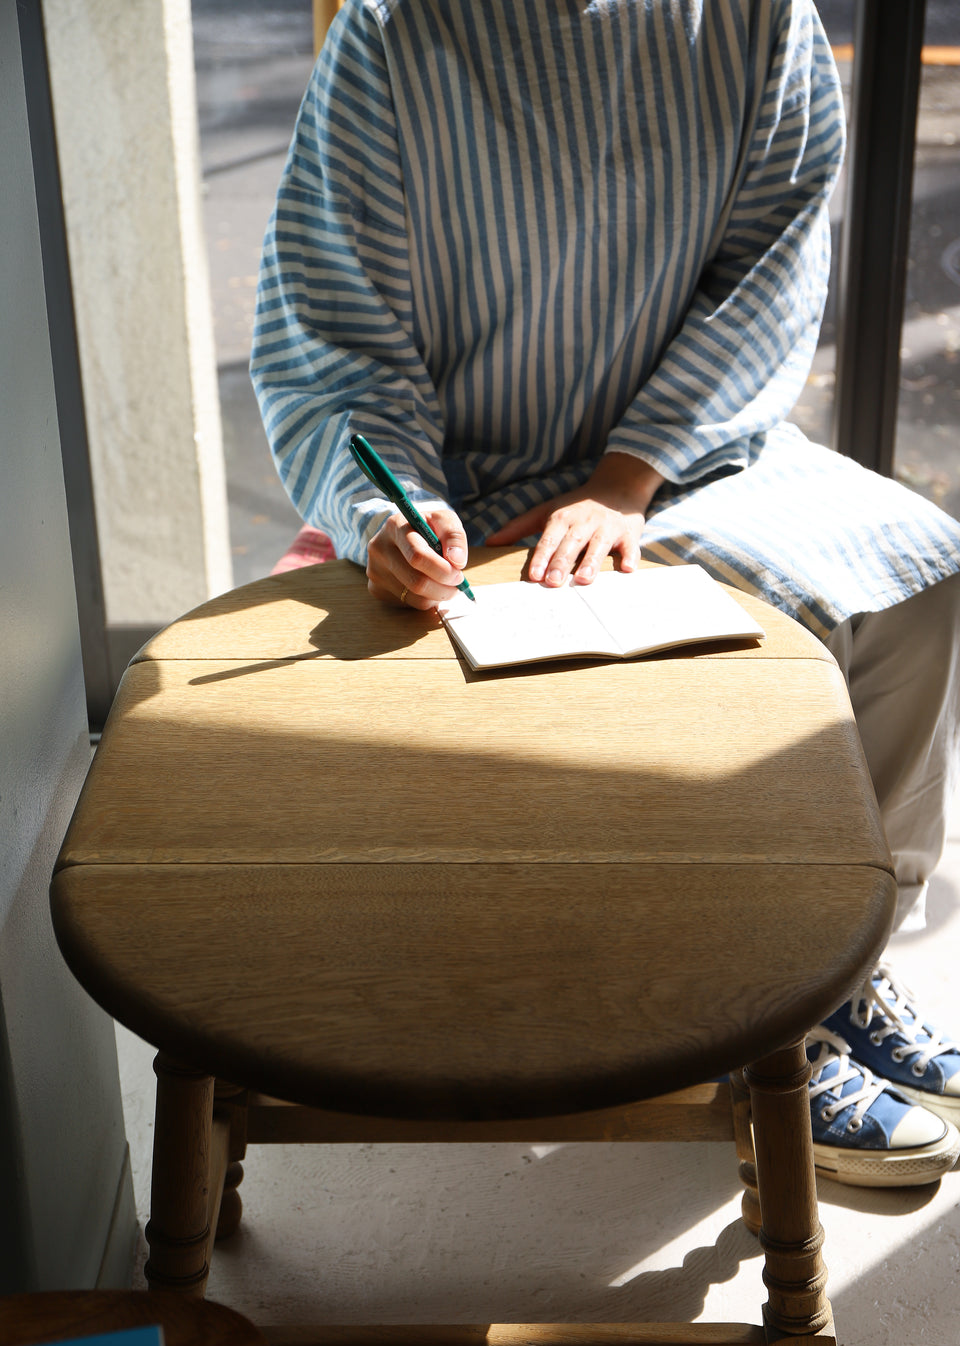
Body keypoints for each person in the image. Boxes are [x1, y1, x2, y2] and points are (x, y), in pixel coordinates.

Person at [251, 0, 960, 1187]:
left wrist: (627, 482)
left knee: (922, 572)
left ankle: (838, 960)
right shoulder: (393, 33)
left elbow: (769, 273)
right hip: (468, 488)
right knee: (649, 642)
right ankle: (756, 1008)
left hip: (688, 458)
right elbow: (342, 333)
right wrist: (396, 511)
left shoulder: (752, 18)